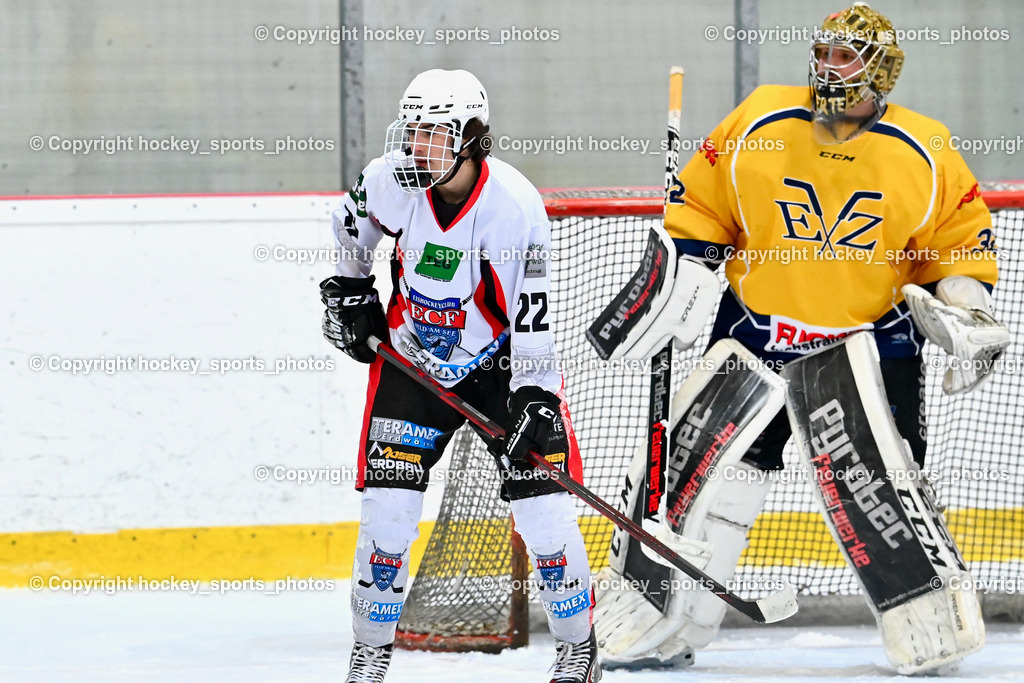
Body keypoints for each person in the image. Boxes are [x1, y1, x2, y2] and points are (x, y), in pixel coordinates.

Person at [593, 2, 1010, 674]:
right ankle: (673, 624)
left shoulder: (924, 148)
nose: (827, 66)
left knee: (886, 487)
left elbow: (958, 246)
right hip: (754, 335)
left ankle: (926, 627)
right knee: (709, 485)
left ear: (882, 69)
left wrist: (968, 306)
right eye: (823, 52)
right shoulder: (761, 118)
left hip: (866, 349)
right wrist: (681, 271)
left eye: (845, 56)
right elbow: (702, 210)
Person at [320, 69, 600, 683]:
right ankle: (369, 654)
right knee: (387, 518)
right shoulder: (391, 181)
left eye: (434, 134)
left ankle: (578, 650)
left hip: (499, 369)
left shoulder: (513, 208)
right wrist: (349, 289)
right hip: (413, 365)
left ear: (472, 139)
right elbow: (349, 228)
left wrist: (534, 398)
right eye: (411, 130)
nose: (417, 146)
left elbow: (532, 313)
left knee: (544, 515)